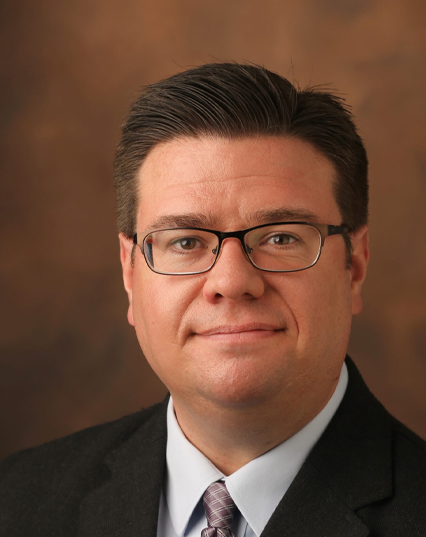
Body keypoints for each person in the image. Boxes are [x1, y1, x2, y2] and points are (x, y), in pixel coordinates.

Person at [1, 63, 425, 537]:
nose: (231, 281)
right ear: (130, 272)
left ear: (355, 266)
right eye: (185, 241)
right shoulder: (16, 504)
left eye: (281, 238)